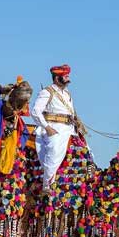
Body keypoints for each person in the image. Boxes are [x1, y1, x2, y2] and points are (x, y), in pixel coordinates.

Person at [31, 64, 87, 193]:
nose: (68, 78)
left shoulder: (67, 93)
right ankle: (47, 184)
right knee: (54, 150)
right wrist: (47, 127)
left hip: (70, 129)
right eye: (65, 76)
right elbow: (35, 111)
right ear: (57, 78)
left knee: (87, 152)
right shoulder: (47, 92)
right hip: (53, 128)